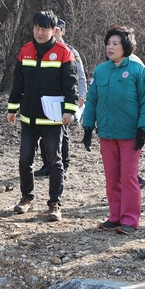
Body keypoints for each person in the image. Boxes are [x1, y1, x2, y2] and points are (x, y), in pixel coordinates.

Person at [82, 26, 145, 235]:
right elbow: (93, 100)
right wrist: (88, 125)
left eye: (115, 43)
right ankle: (115, 217)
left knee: (128, 177)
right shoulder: (101, 70)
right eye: (108, 43)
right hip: (106, 133)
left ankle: (130, 220)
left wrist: (143, 128)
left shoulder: (138, 69)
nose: (110, 47)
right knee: (112, 177)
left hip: (129, 134)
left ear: (126, 46)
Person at [7, 11, 79, 222]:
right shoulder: (25, 51)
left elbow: (71, 86)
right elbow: (18, 85)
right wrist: (12, 109)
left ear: (54, 31)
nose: (39, 32)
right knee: (24, 160)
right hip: (28, 119)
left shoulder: (64, 53)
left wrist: (70, 111)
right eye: (36, 28)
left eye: (44, 29)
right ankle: (26, 197)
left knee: (54, 161)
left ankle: (54, 203)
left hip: (53, 120)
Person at [34, 18, 87, 178]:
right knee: (44, 133)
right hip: (44, 99)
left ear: (62, 32)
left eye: (56, 30)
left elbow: (80, 76)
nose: (53, 32)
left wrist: (81, 95)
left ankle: (62, 164)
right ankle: (47, 165)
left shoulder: (69, 50)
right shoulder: (40, 49)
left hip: (63, 98)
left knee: (61, 134)